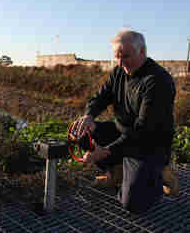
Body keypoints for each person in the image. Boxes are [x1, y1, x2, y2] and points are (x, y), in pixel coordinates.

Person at [72, 29, 178, 213]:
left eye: (126, 56)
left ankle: (160, 173)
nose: (121, 63)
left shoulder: (157, 81)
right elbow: (100, 98)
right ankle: (117, 172)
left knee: (133, 204)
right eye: (117, 57)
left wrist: (104, 151)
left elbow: (142, 130)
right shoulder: (118, 72)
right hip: (122, 132)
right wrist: (89, 116)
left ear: (142, 52)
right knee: (80, 131)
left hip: (149, 144)